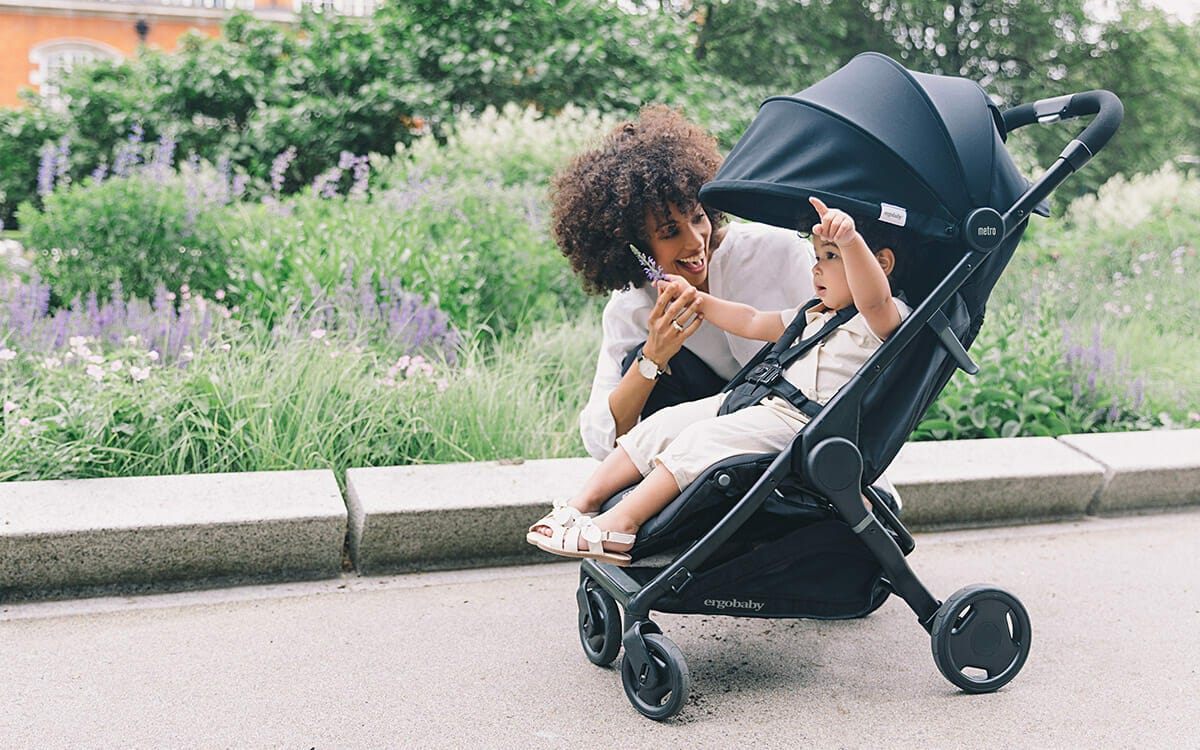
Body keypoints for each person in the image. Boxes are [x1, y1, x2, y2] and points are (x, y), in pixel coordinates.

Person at [529, 198, 913, 565]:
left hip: (807, 425)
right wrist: (694, 298)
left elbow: (873, 298)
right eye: (816, 256)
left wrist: (850, 241)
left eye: (830, 257)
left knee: (702, 441)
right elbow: (749, 320)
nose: (815, 268)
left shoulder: (884, 317)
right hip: (764, 403)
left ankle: (620, 525)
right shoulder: (814, 313)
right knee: (667, 424)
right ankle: (583, 503)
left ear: (882, 264)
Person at [551, 105, 816, 463]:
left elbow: (841, 345)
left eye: (698, 217)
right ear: (634, 245)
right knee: (637, 358)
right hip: (704, 460)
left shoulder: (776, 250)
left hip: (793, 429)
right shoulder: (632, 306)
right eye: (670, 231)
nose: (695, 241)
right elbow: (602, 440)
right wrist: (654, 355)